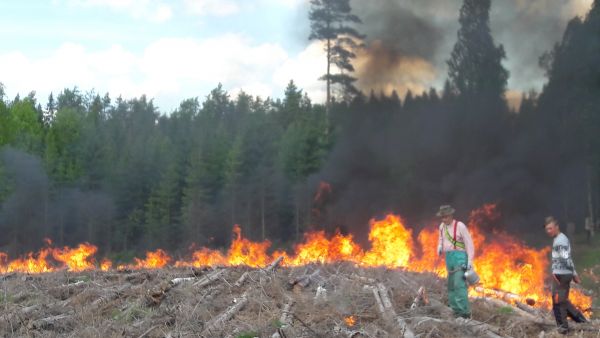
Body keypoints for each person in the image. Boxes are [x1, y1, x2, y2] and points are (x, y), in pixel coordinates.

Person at [544, 216, 588, 334]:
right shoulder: (558, 238)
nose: (548, 231)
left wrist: (574, 274)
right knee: (563, 301)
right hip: (560, 274)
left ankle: (563, 329)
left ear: (556, 227)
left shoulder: (560, 240)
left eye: (550, 228)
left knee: (558, 303)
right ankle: (580, 320)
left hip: (561, 275)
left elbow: (566, 258)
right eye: (547, 229)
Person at [436, 205, 475, 318]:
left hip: (460, 257)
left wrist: (470, 261)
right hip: (449, 258)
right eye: (442, 217)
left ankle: (464, 313)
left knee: (459, 284)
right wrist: (439, 246)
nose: (444, 219)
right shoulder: (441, 227)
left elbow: (469, 243)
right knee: (451, 285)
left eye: (446, 217)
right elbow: (441, 239)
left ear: (451, 215)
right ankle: (455, 310)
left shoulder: (460, 226)